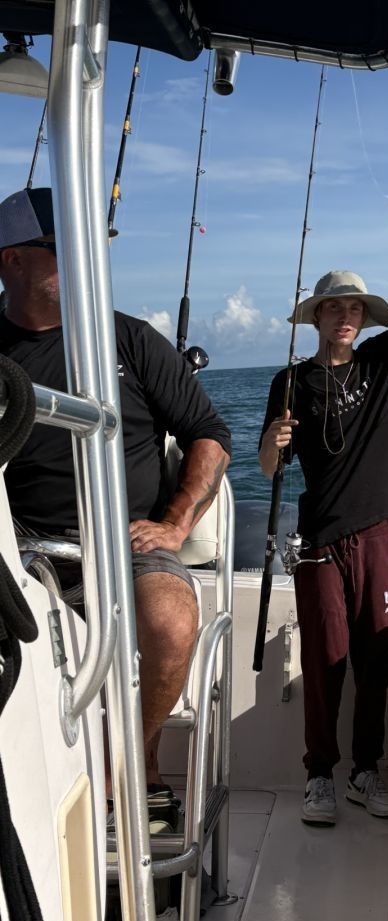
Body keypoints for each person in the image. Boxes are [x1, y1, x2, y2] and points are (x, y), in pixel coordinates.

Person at [0, 187, 232, 807]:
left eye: (88, 246)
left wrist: (178, 524)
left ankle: (133, 763)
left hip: (128, 543)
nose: (82, 260)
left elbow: (209, 436)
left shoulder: (129, 340)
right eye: (60, 247)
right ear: (11, 260)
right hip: (21, 550)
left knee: (171, 620)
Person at [259, 193, 388, 826]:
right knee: (325, 661)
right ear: (316, 317)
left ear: (365, 319)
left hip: (377, 535)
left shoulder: (381, 357)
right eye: (333, 307)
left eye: (353, 308)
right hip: (318, 540)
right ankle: (321, 777)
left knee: (375, 659)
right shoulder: (289, 382)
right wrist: (271, 443)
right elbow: (266, 469)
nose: (344, 316)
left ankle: (367, 771)